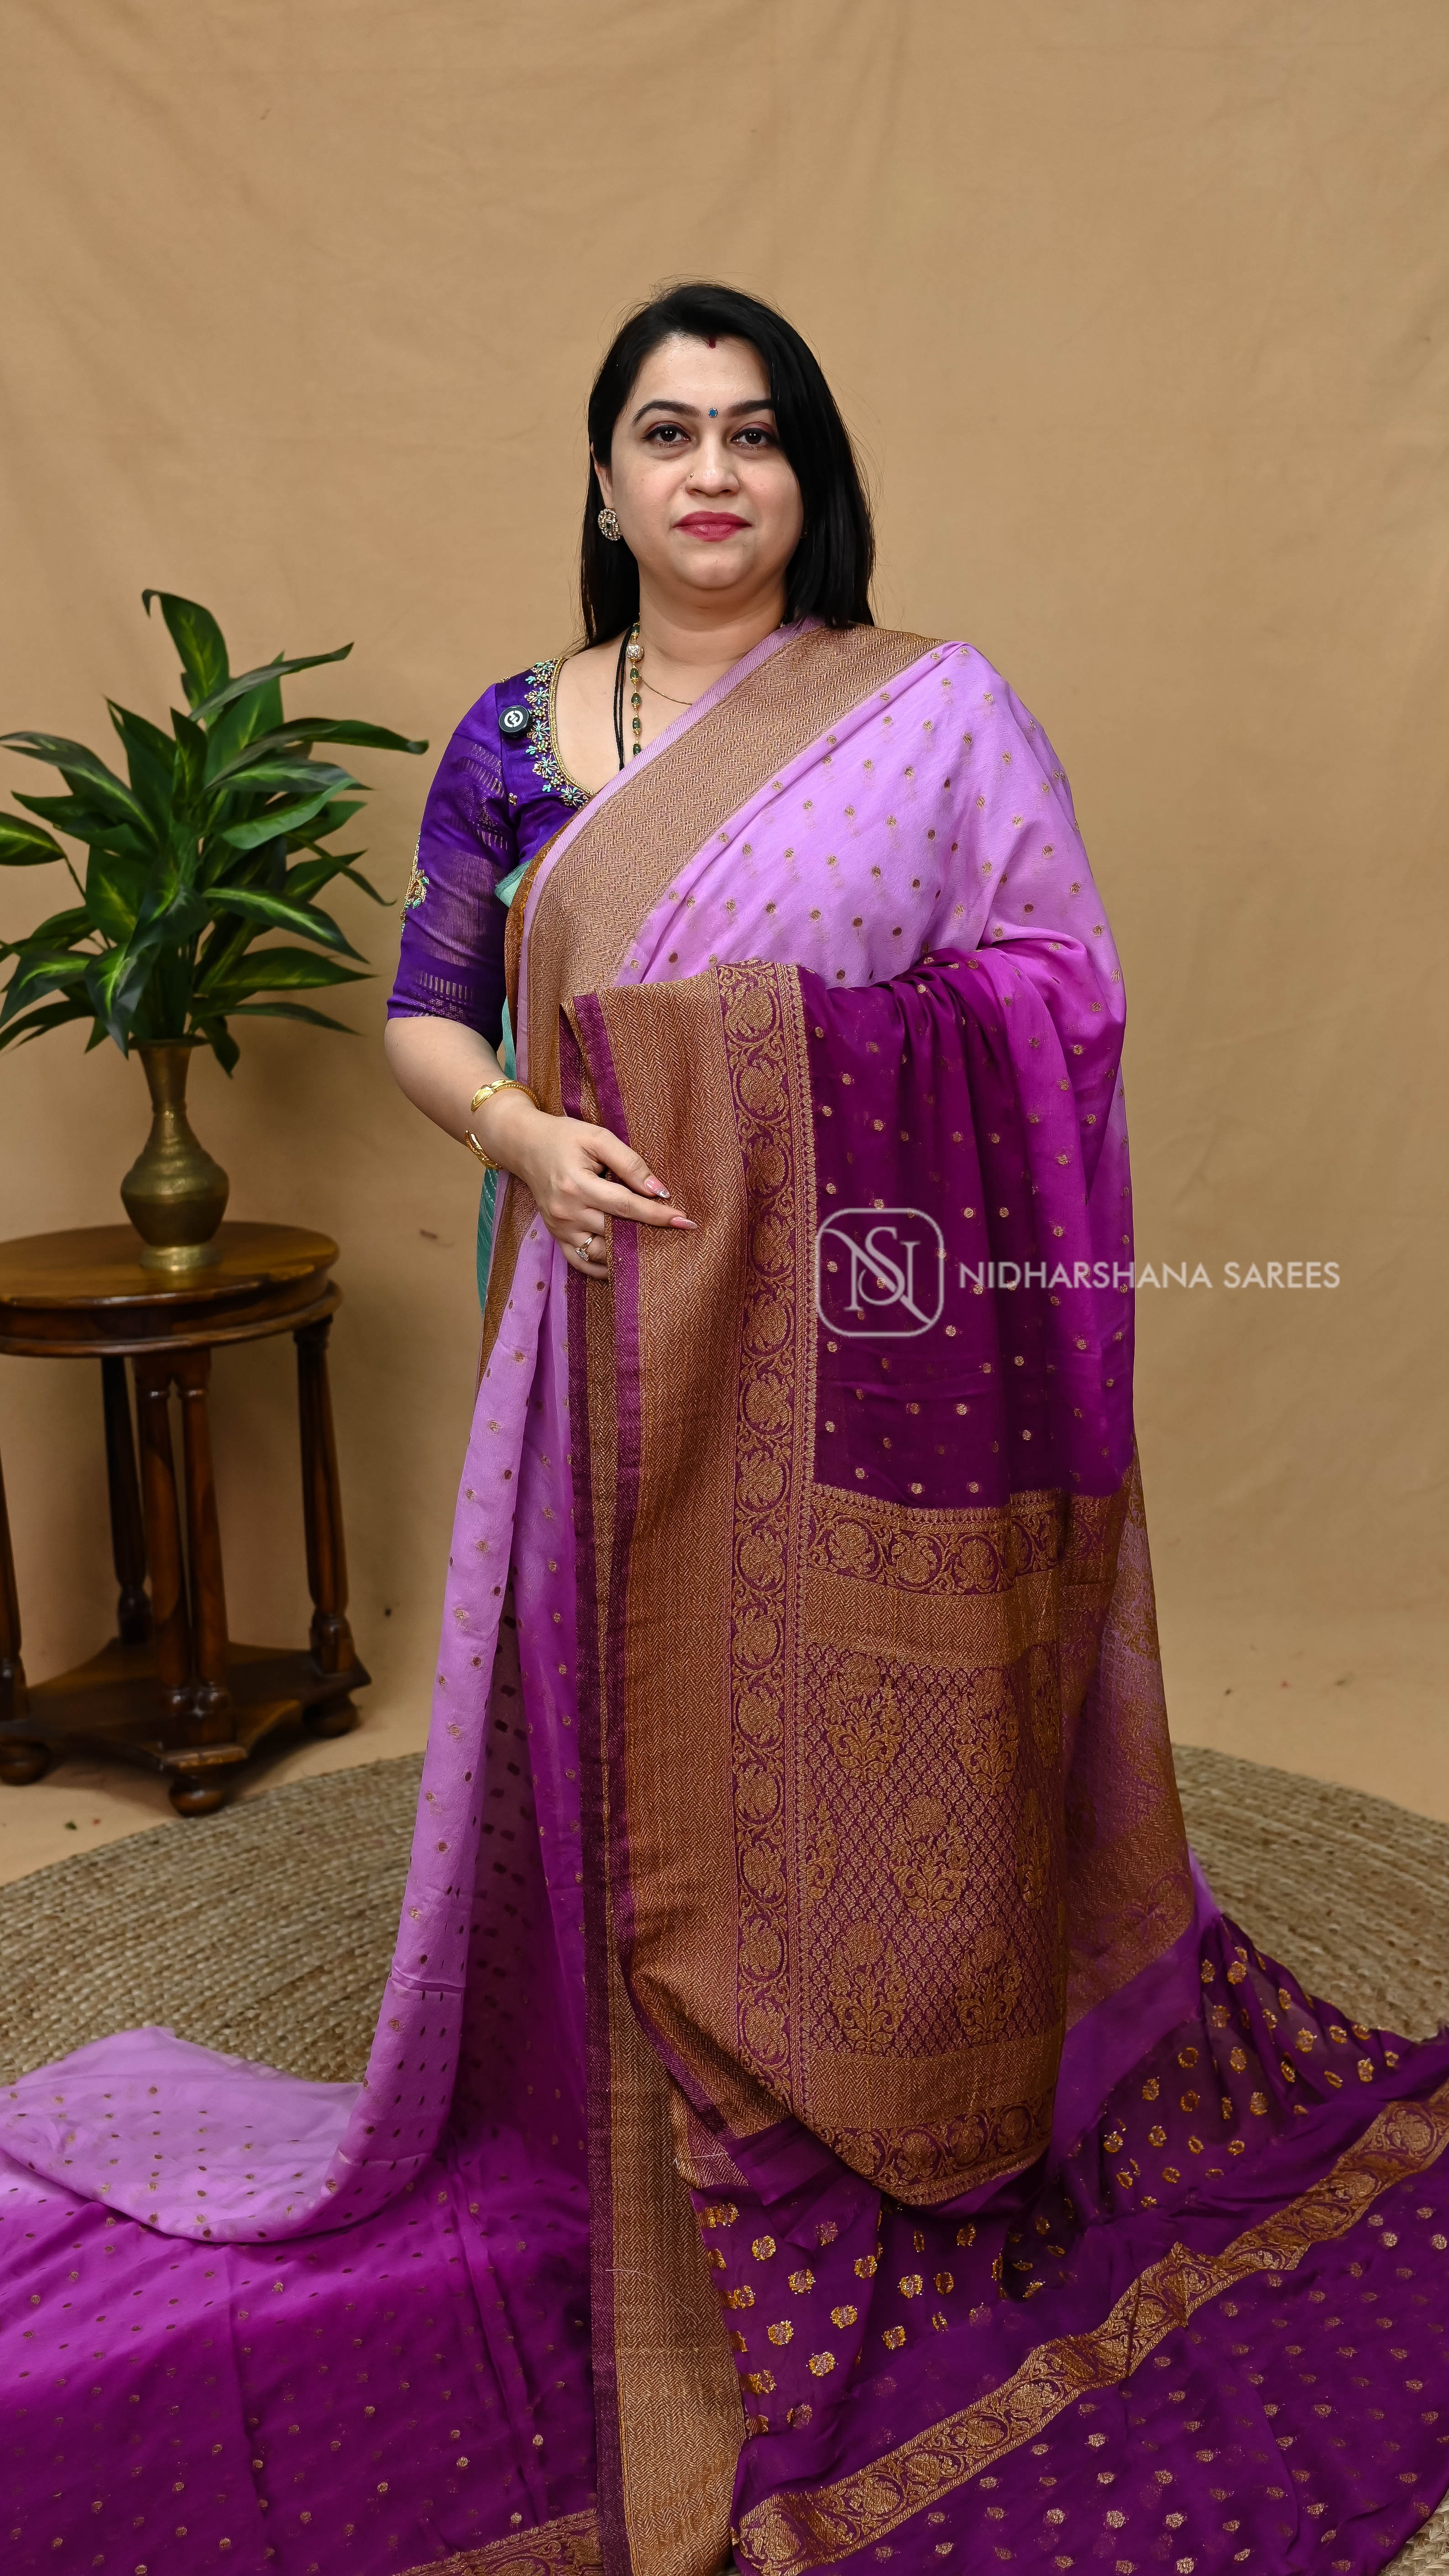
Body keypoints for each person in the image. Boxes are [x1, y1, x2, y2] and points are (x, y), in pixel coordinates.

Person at [1, 284, 1446, 2576]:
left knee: (860, 1725)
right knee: (615, 1721)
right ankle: (646, 2105)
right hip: (593, 1336)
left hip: (869, 1350)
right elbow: (426, 1010)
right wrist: (521, 1132)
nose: (708, 472)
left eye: (753, 433)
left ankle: (876, 2062)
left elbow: (1053, 994)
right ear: (600, 481)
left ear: (808, 476)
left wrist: (779, 1063)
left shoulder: (931, 712)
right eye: (664, 432)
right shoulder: (514, 736)